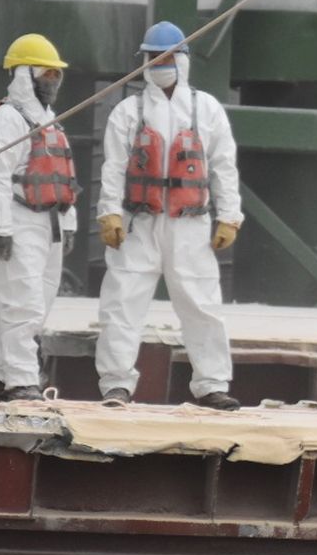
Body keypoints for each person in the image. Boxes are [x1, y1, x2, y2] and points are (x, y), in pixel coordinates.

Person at [94, 21, 244, 410]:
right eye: (152, 58)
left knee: (202, 303)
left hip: (190, 223)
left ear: (182, 60)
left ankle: (212, 384)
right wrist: (108, 212)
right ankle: (116, 384)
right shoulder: (128, 111)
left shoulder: (205, 108)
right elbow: (113, 167)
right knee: (122, 302)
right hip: (138, 223)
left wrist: (230, 215)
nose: (159, 64)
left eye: (165, 57)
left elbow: (223, 165)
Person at [0, 34, 79, 402]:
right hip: (17, 221)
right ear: (26, 74)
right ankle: (21, 381)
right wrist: (0, 229)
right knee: (23, 303)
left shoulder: (51, 121)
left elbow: (65, 179)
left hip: (48, 223)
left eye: (57, 74)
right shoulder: (7, 120)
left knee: (35, 303)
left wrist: (67, 224)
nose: (53, 80)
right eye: (47, 73)